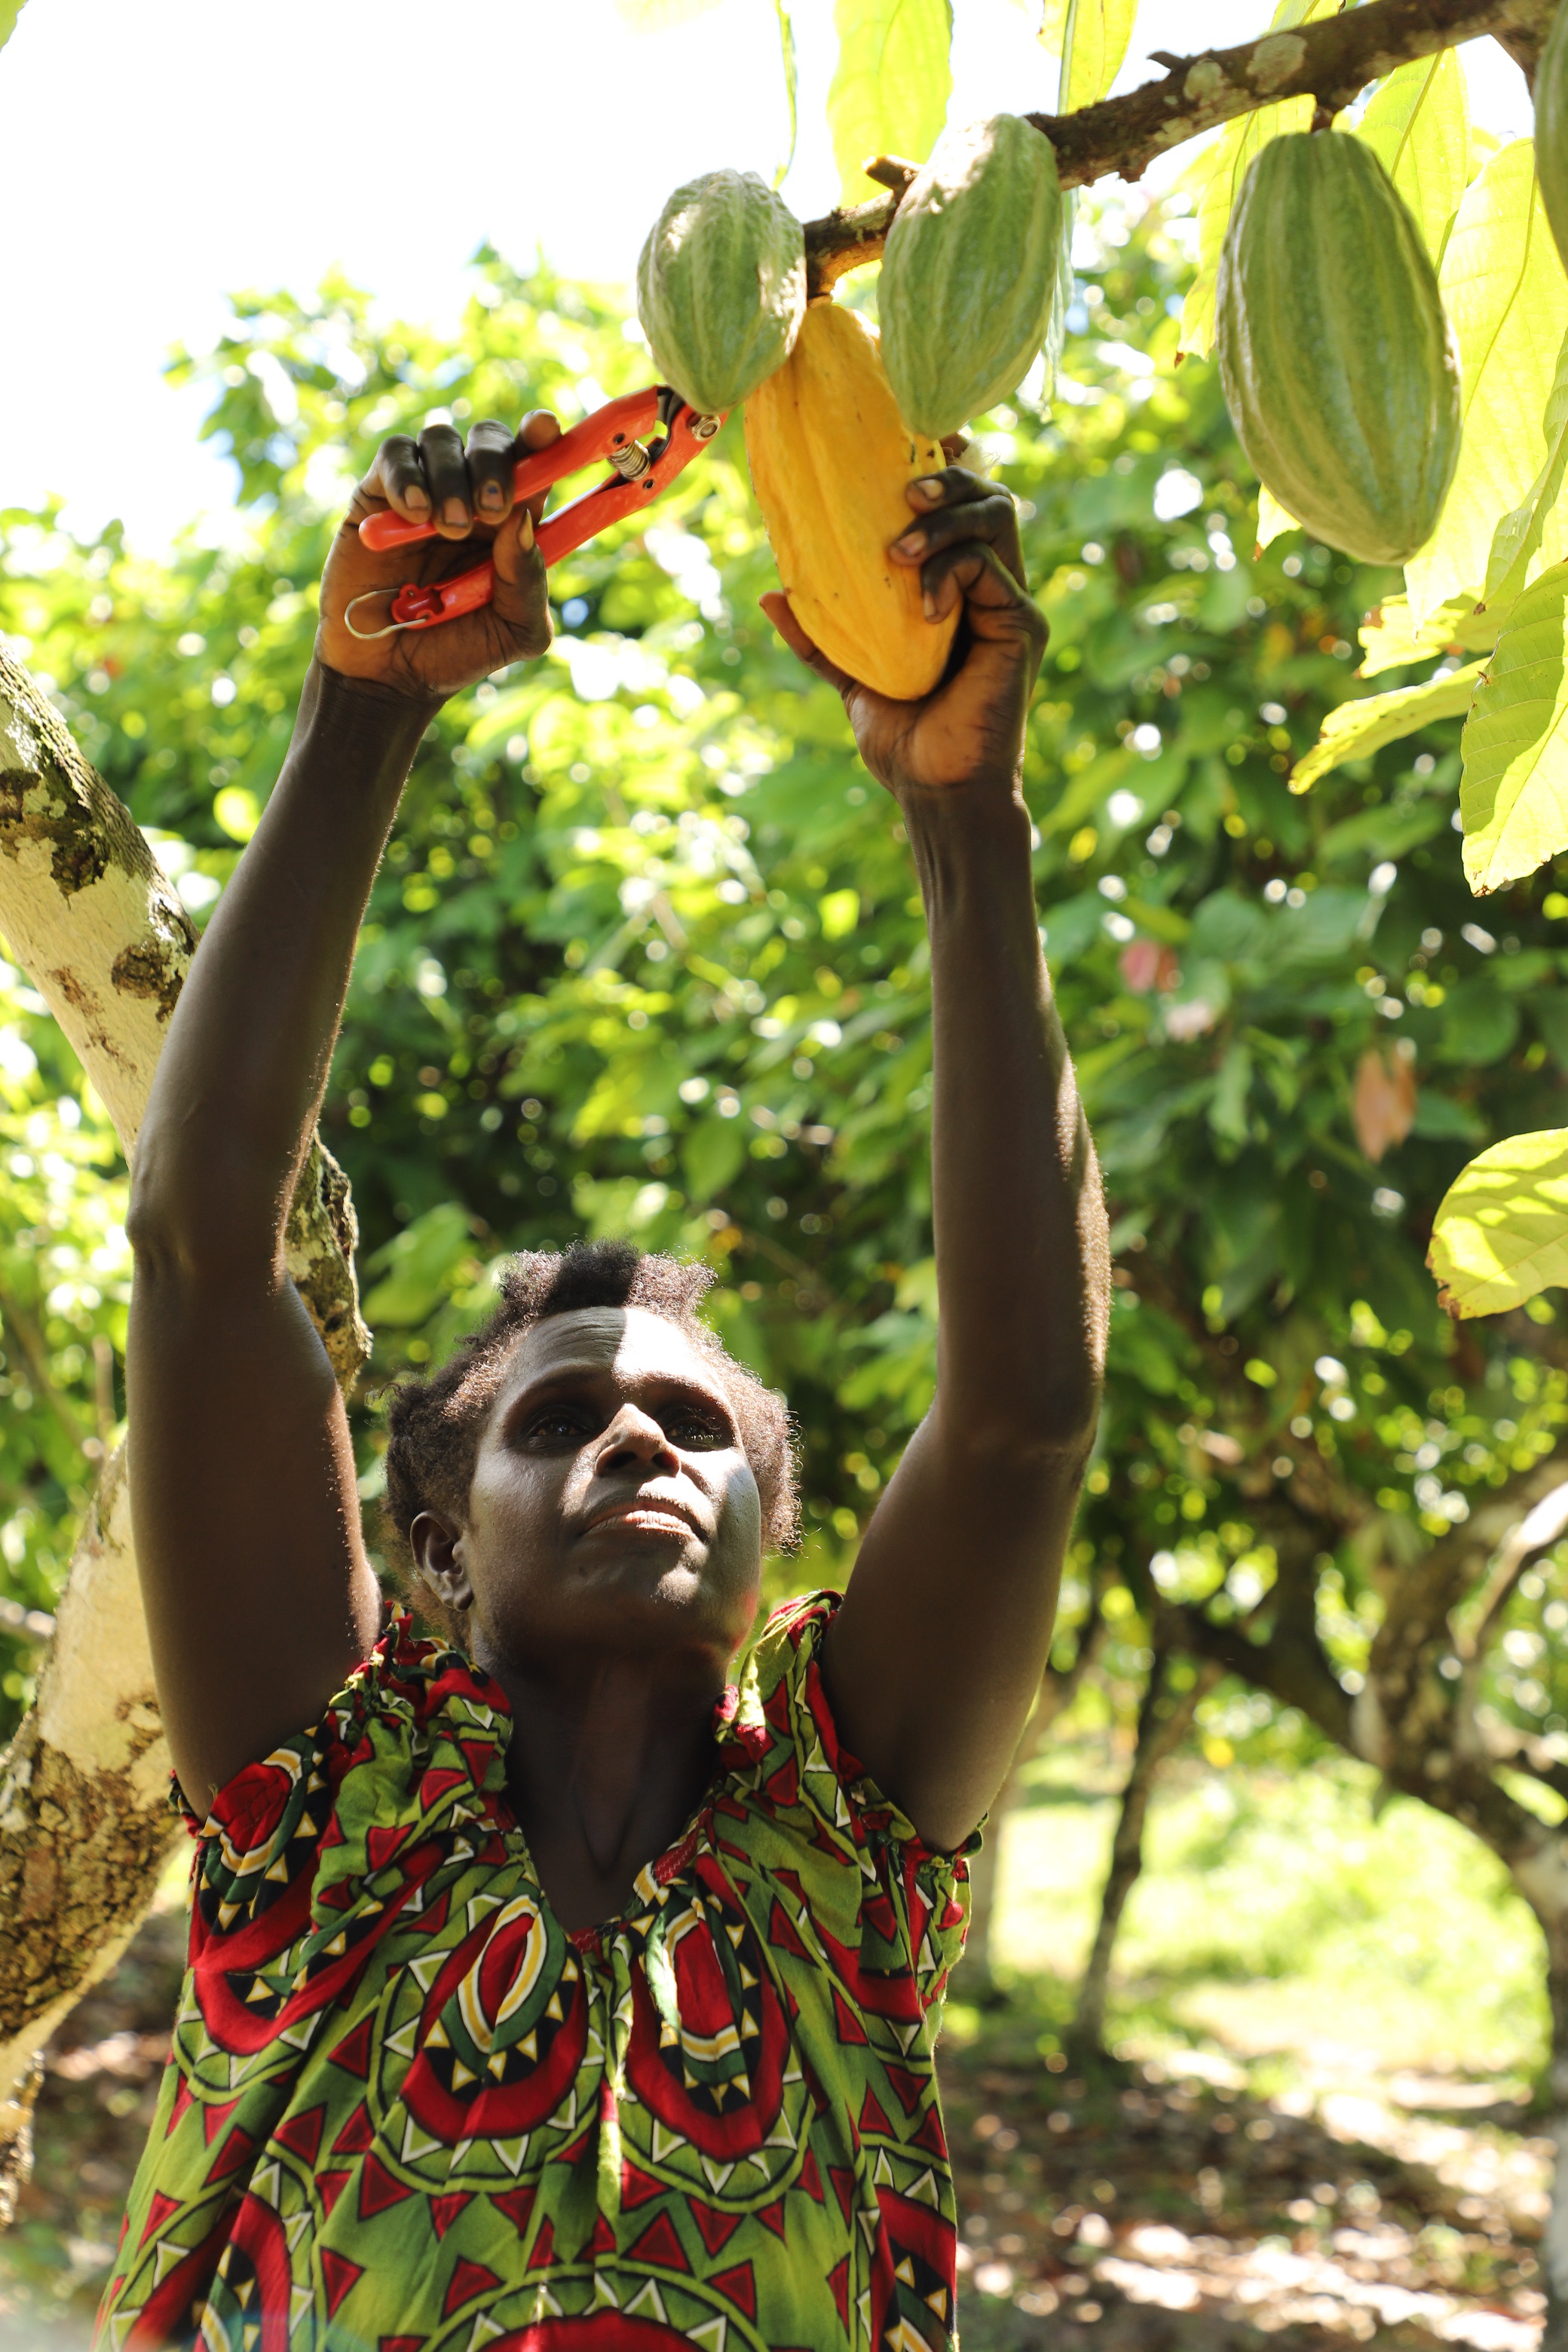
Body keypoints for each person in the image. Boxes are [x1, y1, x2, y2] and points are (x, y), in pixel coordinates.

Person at [98, 399, 1108, 2352]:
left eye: (701, 1427)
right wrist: (362, 712)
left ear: (771, 1556)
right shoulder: (341, 1819)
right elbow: (202, 1248)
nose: (642, 1428)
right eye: (557, 1417)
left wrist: (968, 825)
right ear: (437, 1554)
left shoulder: (843, 1854)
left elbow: (1018, 1423)